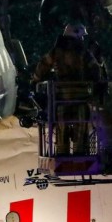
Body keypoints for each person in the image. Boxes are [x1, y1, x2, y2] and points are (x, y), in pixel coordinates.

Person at [32, 23, 101, 155]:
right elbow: (95, 69)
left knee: (61, 127)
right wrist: (97, 84)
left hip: (61, 98)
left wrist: (35, 80)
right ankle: (79, 153)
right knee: (81, 126)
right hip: (81, 98)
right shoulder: (83, 52)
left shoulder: (56, 51)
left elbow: (43, 65)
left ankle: (61, 152)